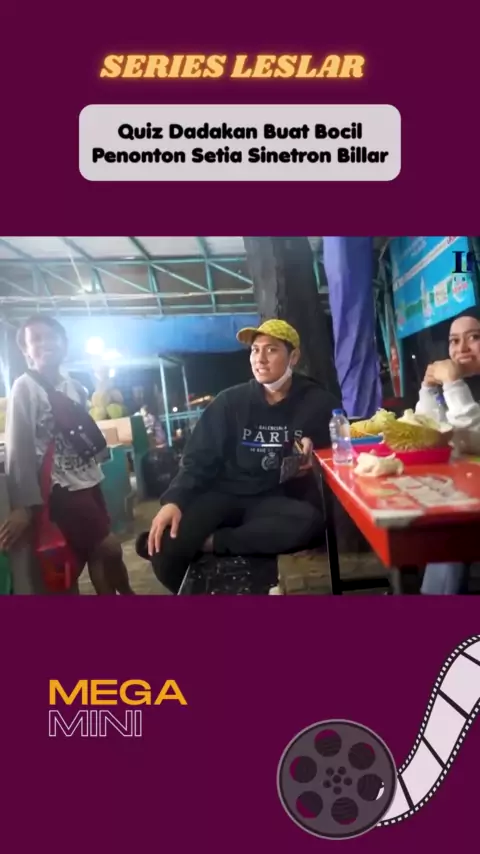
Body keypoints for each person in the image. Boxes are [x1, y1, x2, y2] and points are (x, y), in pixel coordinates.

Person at [139, 319, 341, 594]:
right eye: (255, 350)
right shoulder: (230, 402)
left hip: (274, 498)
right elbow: (197, 459)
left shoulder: (317, 402)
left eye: (271, 350)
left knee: (310, 524)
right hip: (223, 494)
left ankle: (211, 543)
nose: (260, 359)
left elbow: (339, 447)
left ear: (293, 356)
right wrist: (173, 501)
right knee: (164, 547)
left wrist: (314, 449)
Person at [0, 315, 134, 595]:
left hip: (89, 481)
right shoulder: (24, 388)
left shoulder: (74, 387)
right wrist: (24, 506)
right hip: (60, 489)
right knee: (107, 546)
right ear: (26, 351)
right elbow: (18, 448)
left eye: (51, 337)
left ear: (64, 343)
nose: (45, 343)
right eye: (36, 339)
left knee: (100, 554)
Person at [415, 312, 480, 594]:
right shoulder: (457, 385)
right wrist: (428, 391)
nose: (462, 348)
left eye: (474, 337)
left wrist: (453, 384)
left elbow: (473, 440)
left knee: (451, 533)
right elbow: (427, 432)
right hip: (464, 494)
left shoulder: (456, 385)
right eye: (454, 341)